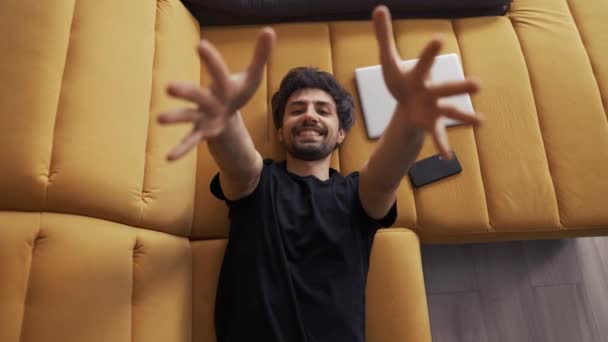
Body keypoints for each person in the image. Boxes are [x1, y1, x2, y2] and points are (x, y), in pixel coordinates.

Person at [157, 5, 483, 342]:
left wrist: (409, 119)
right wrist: (225, 116)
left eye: (323, 111)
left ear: (340, 133)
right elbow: (238, 162)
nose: (309, 116)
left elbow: (386, 175)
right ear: (281, 133)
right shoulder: (260, 181)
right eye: (297, 110)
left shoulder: (357, 194)